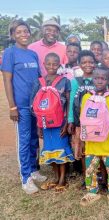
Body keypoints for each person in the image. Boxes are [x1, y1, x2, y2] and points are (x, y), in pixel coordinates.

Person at [2, 20, 47, 194]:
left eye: (26, 31)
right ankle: (25, 178)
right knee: (24, 140)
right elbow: (7, 80)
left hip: (34, 105)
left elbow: (38, 79)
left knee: (34, 139)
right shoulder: (10, 53)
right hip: (20, 105)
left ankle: (34, 170)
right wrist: (12, 107)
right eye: (19, 32)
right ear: (13, 35)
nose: (24, 34)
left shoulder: (33, 54)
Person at [79, 66, 109, 206]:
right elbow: (83, 120)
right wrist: (82, 140)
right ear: (92, 79)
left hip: (108, 141)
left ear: (108, 80)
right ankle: (92, 192)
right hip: (91, 142)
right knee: (90, 169)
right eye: (97, 78)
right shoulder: (87, 97)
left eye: (103, 78)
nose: (99, 81)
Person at [31, 53, 75, 193]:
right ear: (43, 65)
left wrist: (68, 122)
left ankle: (63, 179)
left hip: (60, 122)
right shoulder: (38, 81)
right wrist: (39, 126)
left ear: (59, 65)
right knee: (50, 150)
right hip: (45, 124)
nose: (51, 66)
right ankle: (56, 178)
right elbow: (35, 105)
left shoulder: (64, 81)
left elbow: (69, 102)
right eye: (48, 64)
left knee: (61, 150)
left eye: (55, 64)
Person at [68, 50, 96, 189]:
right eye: (84, 62)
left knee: (96, 151)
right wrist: (70, 120)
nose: (88, 65)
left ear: (95, 63)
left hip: (96, 124)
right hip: (81, 123)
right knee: (84, 152)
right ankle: (87, 178)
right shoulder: (75, 82)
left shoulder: (99, 79)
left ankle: (99, 177)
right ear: (79, 64)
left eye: (91, 62)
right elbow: (72, 101)